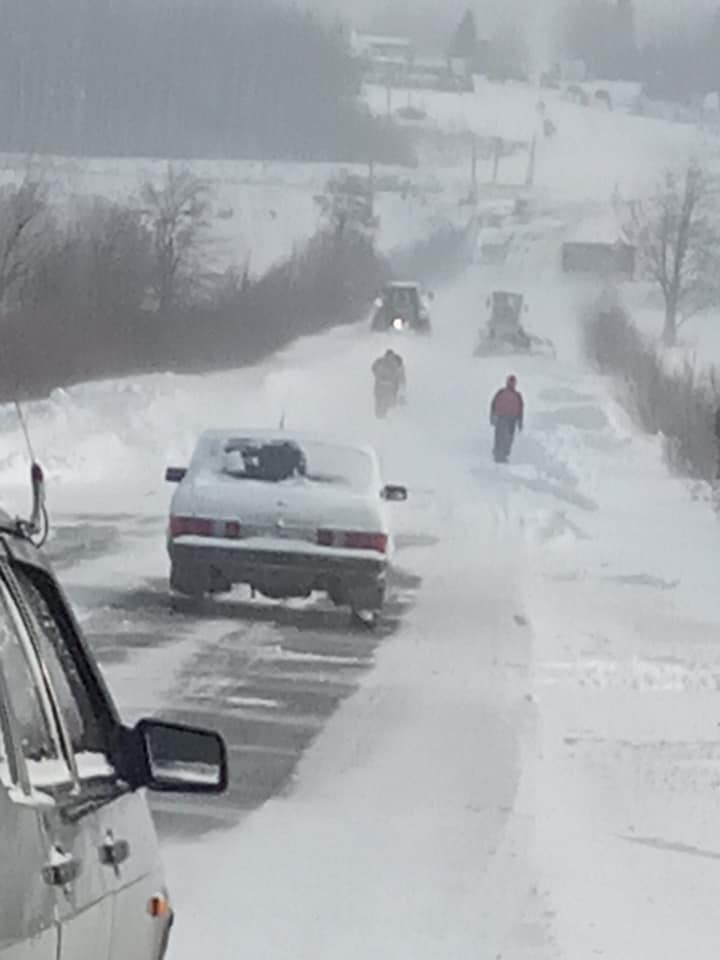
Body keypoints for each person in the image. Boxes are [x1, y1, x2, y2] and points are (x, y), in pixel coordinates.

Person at [490, 374, 524, 463]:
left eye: (513, 382)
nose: (512, 383)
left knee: (509, 438)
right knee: (499, 437)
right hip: (501, 418)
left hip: (512, 420)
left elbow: (520, 409)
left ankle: (504, 454)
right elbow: (493, 404)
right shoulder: (501, 392)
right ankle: (497, 454)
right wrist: (493, 416)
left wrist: (520, 422)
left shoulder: (518, 395)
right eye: (510, 381)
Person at [372, 349, 405, 418]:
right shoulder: (380, 363)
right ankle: (381, 419)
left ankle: (389, 420)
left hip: (390, 391)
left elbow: (401, 380)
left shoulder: (397, 365)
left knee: (391, 406)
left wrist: (401, 393)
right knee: (381, 407)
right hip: (381, 390)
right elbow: (374, 369)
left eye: (392, 359)